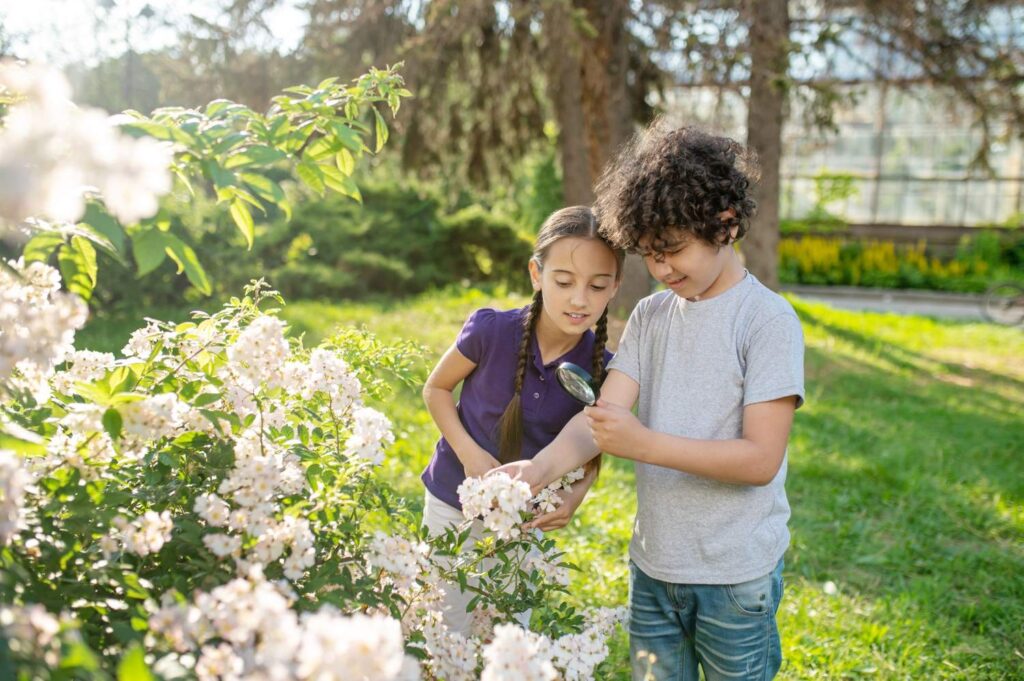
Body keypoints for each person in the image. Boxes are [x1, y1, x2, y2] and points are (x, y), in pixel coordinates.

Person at [497, 124, 805, 680]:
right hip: (654, 568)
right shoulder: (651, 316)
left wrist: (644, 444)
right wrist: (537, 470)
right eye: (649, 255)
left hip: (734, 578)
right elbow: (600, 421)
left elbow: (760, 461)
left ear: (726, 223)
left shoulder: (767, 322)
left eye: (673, 251)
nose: (661, 270)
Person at [420, 205, 624, 636]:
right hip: (450, 504)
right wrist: (470, 454)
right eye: (563, 282)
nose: (579, 299)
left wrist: (578, 495)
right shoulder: (491, 331)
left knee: (507, 637)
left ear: (615, 287)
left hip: (524, 522)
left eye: (597, 285)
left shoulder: (606, 369)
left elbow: (593, 443)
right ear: (536, 274)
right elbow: (436, 390)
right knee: (442, 627)